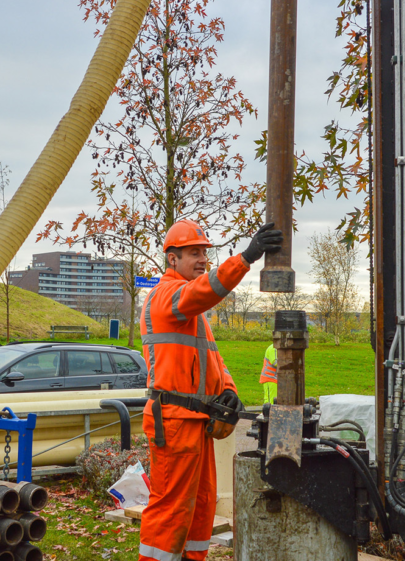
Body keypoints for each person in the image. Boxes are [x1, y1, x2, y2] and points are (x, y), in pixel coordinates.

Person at [138, 219, 282, 561]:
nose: (203, 259)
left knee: (201, 507)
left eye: (205, 252)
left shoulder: (194, 313)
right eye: (194, 253)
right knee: (171, 509)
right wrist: (246, 257)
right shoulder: (167, 297)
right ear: (172, 259)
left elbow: (214, 360)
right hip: (173, 421)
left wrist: (229, 390)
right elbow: (203, 290)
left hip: (196, 422)